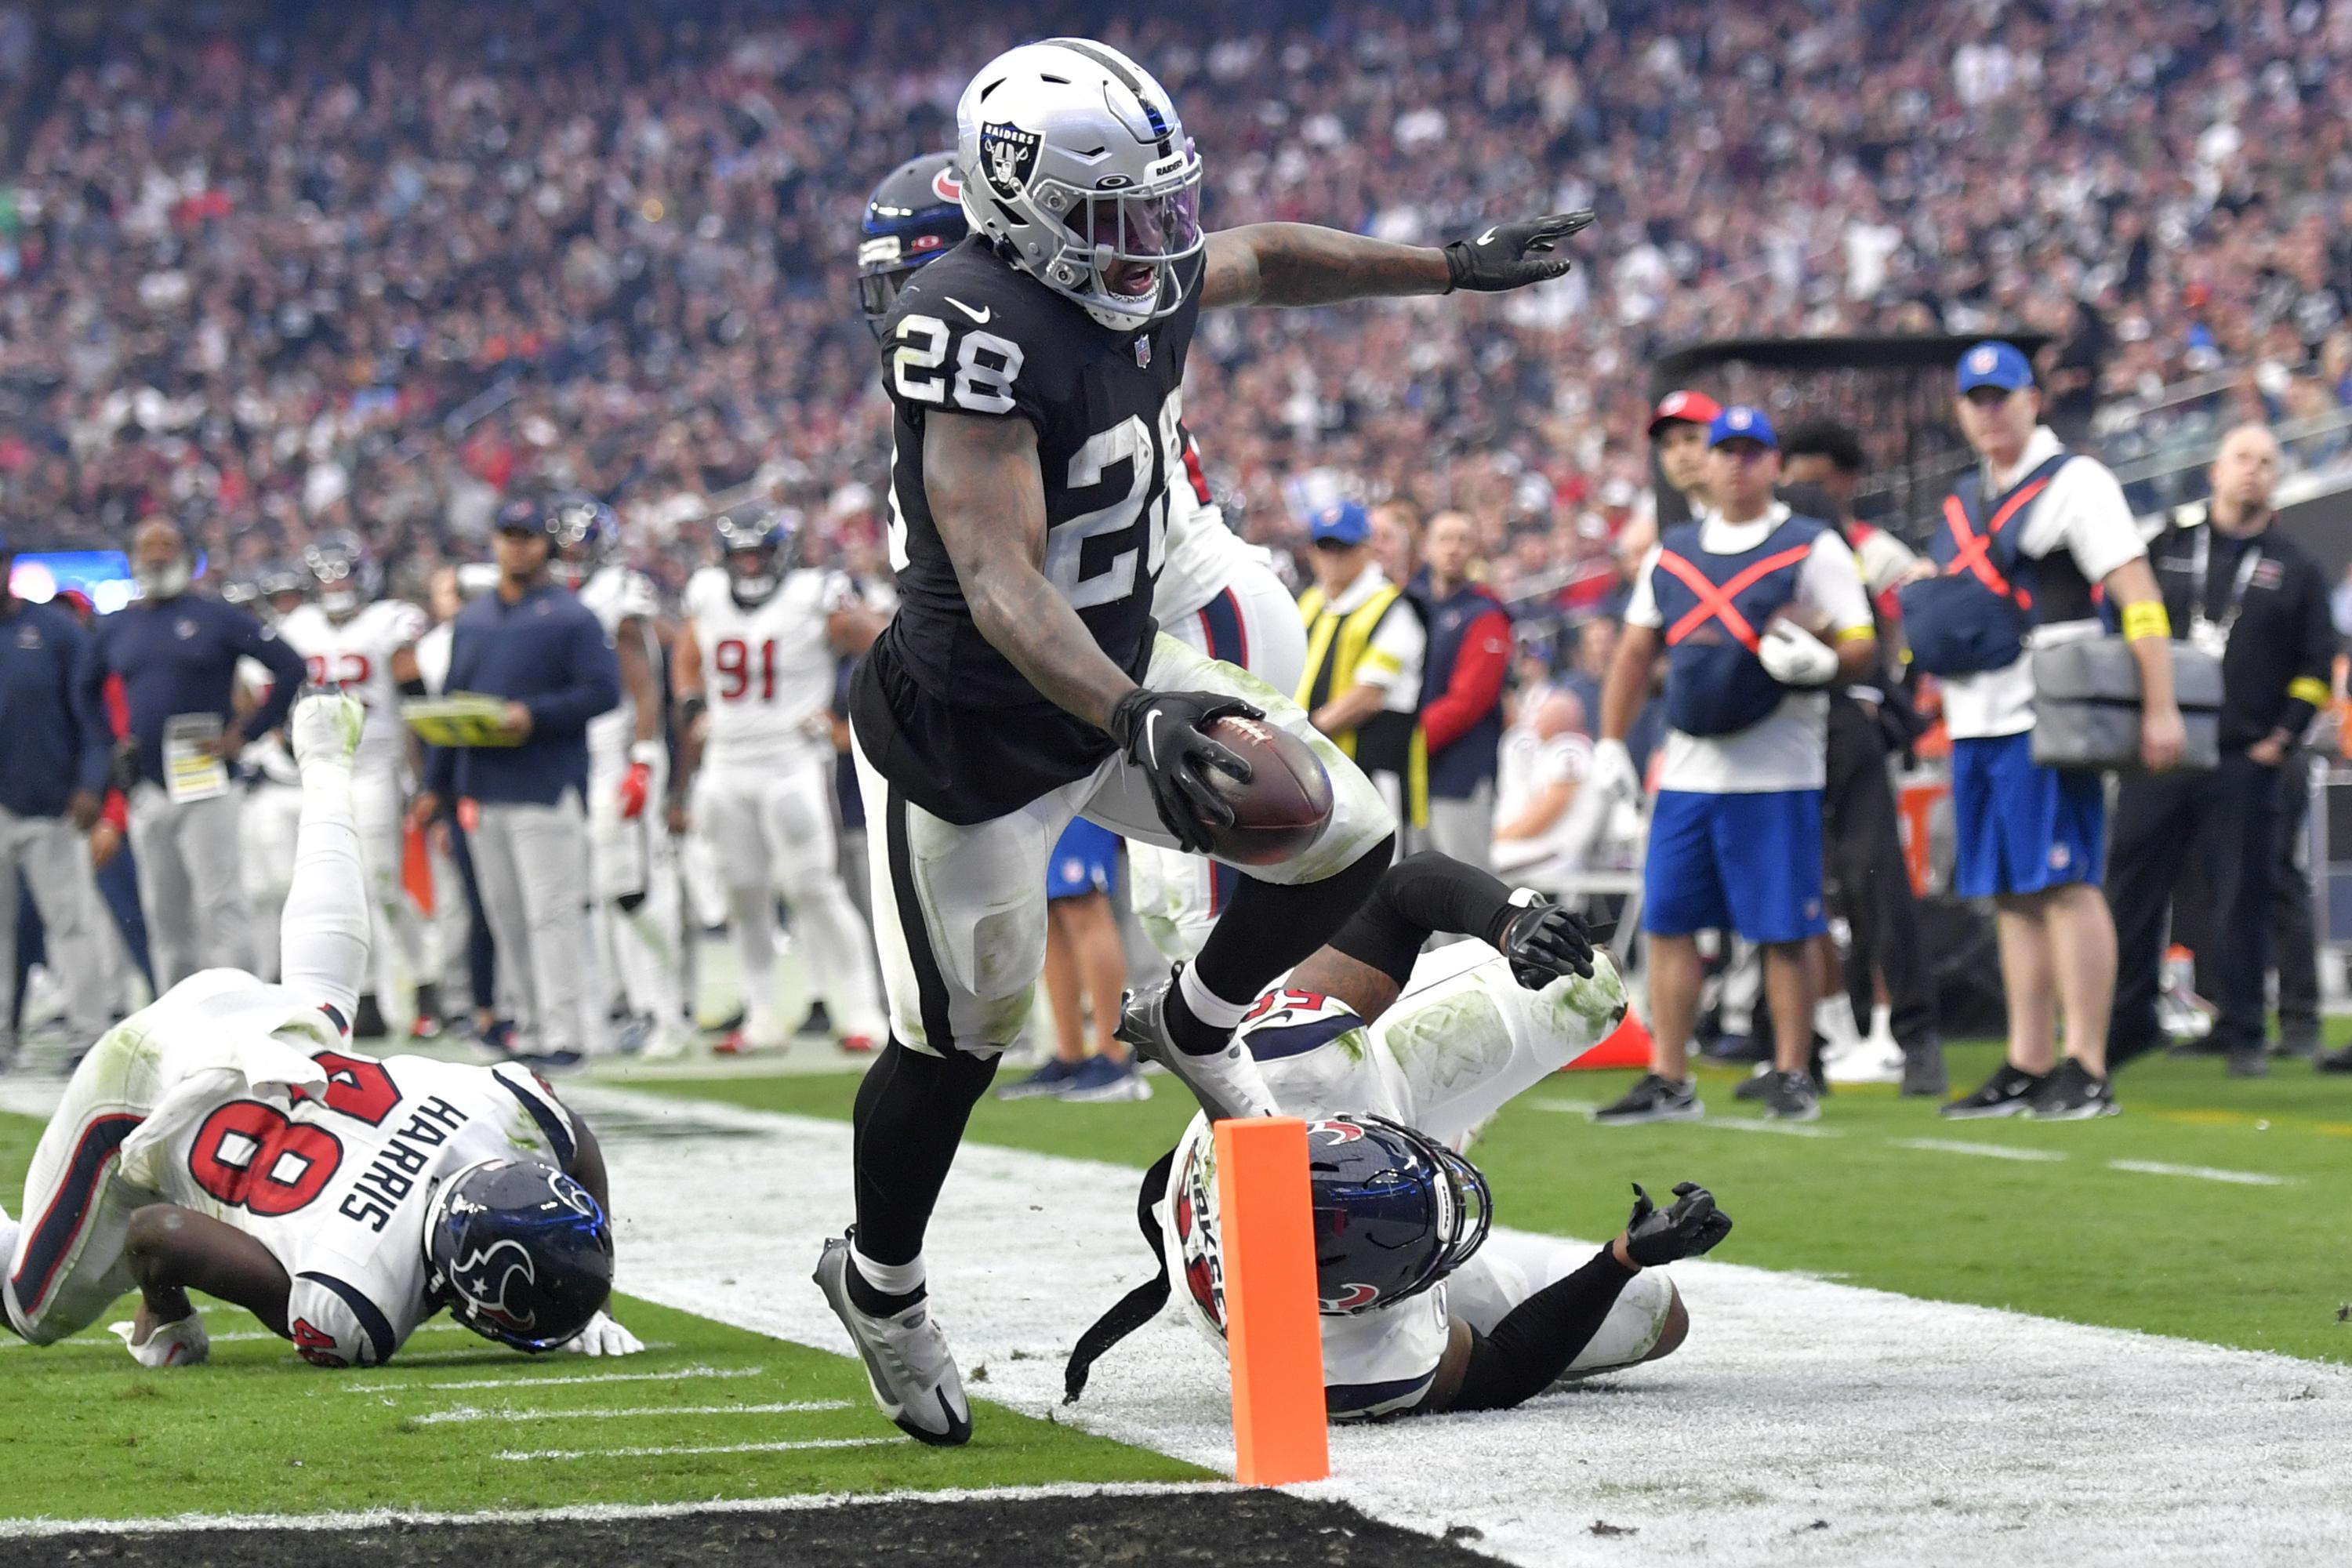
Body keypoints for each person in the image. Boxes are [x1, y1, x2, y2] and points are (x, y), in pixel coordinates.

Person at [822, 35, 1587, 1448]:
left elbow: (1269, 257)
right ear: (1014, 205)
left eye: (1162, 207)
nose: (1155, 246)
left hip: (1120, 677)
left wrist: (1447, 266)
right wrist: (1131, 709)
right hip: (980, 729)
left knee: (1340, 831)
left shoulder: (1139, 269)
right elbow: (997, 584)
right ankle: (883, 1283)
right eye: (1120, 218)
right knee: (962, 1040)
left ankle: (1195, 1015)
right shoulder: (967, 323)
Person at [1, 694, 639, 1366]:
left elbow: (575, 1141)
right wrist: (166, 1308)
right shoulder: (354, 1302)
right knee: (28, 1307)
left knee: (327, 1014)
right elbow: (157, 1229)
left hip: (256, 1020)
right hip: (135, 1093)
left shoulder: (500, 1108)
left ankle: (327, 762)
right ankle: (328, 764)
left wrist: (592, 1293)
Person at [1062, 851, 1731, 1420]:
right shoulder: (1349, 1363)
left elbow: (1399, 891)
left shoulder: (1302, 1068)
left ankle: (1435, 1112)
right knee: (1656, 1316)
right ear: (1370, 1300)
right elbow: (1497, 1370)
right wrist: (1623, 1259)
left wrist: (1512, 920)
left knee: (1581, 987)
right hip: (1260, 1292)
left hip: (1303, 1119)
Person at [856, 150, 1312, 969]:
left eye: (926, 271)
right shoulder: (987, 374)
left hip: (1191, 615)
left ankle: (1301, 1082)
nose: (912, 305)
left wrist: (1450, 268)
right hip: (1116, 655)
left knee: (1212, 909)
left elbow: (1261, 260)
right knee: (1193, 912)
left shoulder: (1059, 336)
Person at [1914, 342, 2184, 1121]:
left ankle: (2086, 1061)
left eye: (2003, 395)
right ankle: (2029, 1059)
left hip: (2051, 710)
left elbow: (2135, 591)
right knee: (2009, 892)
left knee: (2066, 883)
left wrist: (2157, 703)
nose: (1990, 410)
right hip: (1976, 716)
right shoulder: (1965, 497)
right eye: (1977, 398)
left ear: (2033, 399)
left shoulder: (2075, 481)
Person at [1590, 408, 1878, 1124]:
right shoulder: (1674, 550)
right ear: (1708, 464)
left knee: (1783, 926)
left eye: (1753, 453)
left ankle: (1790, 1068)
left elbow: (1862, 639)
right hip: (1689, 767)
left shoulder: (1813, 547)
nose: (1737, 465)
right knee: (1670, 921)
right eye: (1726, 452)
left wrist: (1826, 663)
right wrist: (1608, 742)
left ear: (1774, 464)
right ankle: (1670, 1073)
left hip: (1777, 767)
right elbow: (1633, 651)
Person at [2104, 426, 2336, 1079]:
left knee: (2246, 893)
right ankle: (2127, 1022)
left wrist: (2281, 738)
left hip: (2242, 756)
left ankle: (2242, 1030)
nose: (2253, 471)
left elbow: (2317, 665)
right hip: (2161, 748)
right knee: (2131, 884)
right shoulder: (2170, 548)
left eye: (2267, 461)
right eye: (2242, 458)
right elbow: (2122, 626)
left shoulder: (2295, 566)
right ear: (2215, 469)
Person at [411, 495, 622, 1069]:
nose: (517, 544)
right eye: (508, 533)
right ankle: (527, 1025)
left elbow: (605, 691)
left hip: (545, 782)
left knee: (551, 914)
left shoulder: (571, 616)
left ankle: (568, 1029)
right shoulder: (474, 619)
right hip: (484, 783)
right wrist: (437, 785)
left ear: (545, 545)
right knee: (504, 915)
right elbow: (451, 699)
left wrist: (536, 714)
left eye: (528, 535)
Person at [673, 504, 889, 1055]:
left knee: (813, 888)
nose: (749, 564)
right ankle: (763, 1018)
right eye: (740, 554)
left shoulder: (815, 594)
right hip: (725, 762)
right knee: (743, 894)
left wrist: (849, 720)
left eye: (759, 552)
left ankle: (862, 1011)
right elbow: (688, 652)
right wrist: (694, 701)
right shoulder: (706, 594)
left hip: (790, 760)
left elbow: (885, 646)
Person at [80, 517, 307, 988]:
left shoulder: (215, 617)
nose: (159, 554)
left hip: (207, 778)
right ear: (133, 557)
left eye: (168, 544)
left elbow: (290, 666)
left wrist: (246, 734)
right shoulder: (118, 626)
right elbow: (82, 691)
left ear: (187, 554)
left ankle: (238, 1013)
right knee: (164, 914)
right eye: (149, 546)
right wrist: (110, 745)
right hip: (149, 786)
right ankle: (175, 1018)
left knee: (221, 904)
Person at [276, 532, 432, 1040]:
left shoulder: (389, 621)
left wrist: (421, 772)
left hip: (375, 764)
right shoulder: (296, 628)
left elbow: (415, 698)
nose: (337, 585)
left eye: (344, 573)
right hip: (321, 768)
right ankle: (362, 998)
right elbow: (279, 693)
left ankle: (427, 982)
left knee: (382, 880)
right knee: (336, 884)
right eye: (328, 575)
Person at [0, 529, 116, 1065]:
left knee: (69, 922)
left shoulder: (54, 632)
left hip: (51, 800)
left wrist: (92, 783)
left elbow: (93, 718)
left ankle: (87, 1034)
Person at [1298, 499, 1428, 844]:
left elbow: (1369, 696)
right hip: (1314, 771)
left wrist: (1301, 735)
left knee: (1379, 880)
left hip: (1370, 774)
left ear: (1366, 549)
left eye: (1343, 547)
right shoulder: (1310, 602)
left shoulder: (1394, 606)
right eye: (1324, 546)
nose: (1332, 556)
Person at [1001, 818, 1150, 1102]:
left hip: (1068, 784)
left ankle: (1114, 1055)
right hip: (1029, 790)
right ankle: (1070, 1055)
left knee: (1081, 900)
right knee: (1048, 908)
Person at [1412, 510, 1513, 871]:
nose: (1453, 549)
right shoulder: (1413, 603)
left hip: (1460, 775)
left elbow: (1469, 701)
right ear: (1426, 547)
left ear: (1475, 550)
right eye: (1444, 539)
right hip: (1416, 776)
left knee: (1465, 889)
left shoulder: (1484, 613)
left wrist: (1407, 741)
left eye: (1462, 540)